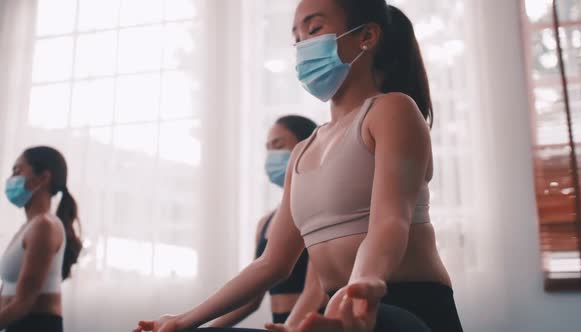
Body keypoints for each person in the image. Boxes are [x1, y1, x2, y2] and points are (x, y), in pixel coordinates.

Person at [135, 0, 463, 331]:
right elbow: (271, 264)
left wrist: (360, 289)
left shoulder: (392, 110)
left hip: (404, 307)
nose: (303, 44)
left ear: (366, 36)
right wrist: (183, 321)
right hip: (338, 310)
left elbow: (390, 221)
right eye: (297, 36)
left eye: (315, 28)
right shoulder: (303, 151)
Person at [207, 115, 326, 328]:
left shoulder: (321, 208)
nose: (271, 154)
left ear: (304, 147)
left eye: (278, 145)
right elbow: (252, 299)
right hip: (280, 324)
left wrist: (291, 327)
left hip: (313, 324)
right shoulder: (265, 223)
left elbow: (316, 291)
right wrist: (207, 327)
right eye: (268, 148)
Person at [0, 146, 83, 332]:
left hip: (35, 325)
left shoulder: (44, 226)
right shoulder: (28, 227)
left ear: (43, 178)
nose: (11, 179)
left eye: (17, 171)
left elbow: (24, 301)